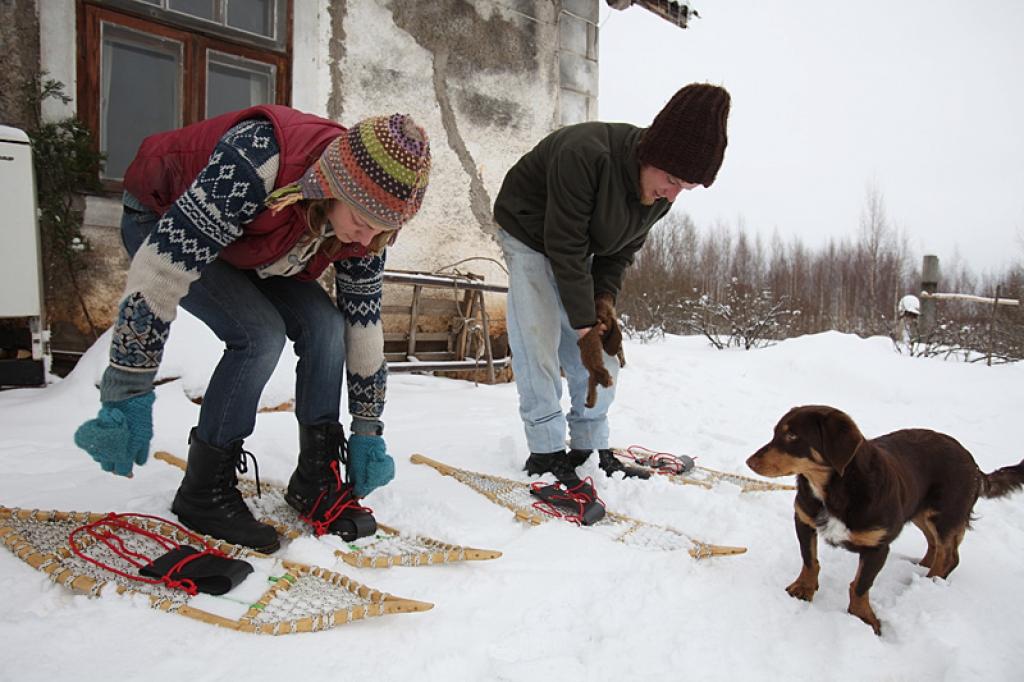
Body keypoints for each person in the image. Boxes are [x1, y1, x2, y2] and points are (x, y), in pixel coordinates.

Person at [74, 105, 431, 553]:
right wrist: (127, 391)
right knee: (259, 333)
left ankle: (315, 477)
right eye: (360, 224)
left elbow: (364, 328)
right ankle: (203, 490)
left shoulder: (369, 229)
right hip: (162, 217)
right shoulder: (259, 160)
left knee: (325, 325)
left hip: (261, 240)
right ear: (331, 186)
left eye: (381, 231)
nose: (364, 240)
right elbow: (159, 273)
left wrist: (366, 431)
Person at [493, 83, 730, 522]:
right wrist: (581, 326)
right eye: (672, 180)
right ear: (649, 153)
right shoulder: (585, 154)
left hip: (573, 245)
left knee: (603, 351)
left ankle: (589, 445)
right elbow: (563, 245)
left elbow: (618, 251)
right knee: (539, 338)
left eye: (687, 187)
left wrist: (601, 306)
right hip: (528, 230)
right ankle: (545, 454)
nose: (674, 194)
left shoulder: (658, 193)